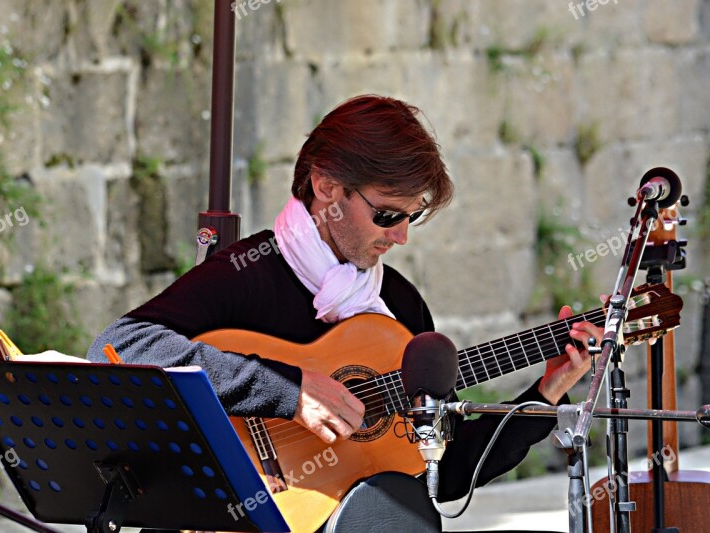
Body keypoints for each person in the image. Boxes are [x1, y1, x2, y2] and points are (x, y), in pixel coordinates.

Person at [87, 94, 601, 502]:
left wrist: (548, 391)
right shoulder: (247, 271)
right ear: (326, 186)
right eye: (387, 215)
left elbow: (443, 475)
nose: (401, 237)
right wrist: (285, 391)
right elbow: (119, 345)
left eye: (412, 216)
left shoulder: (399, 307)